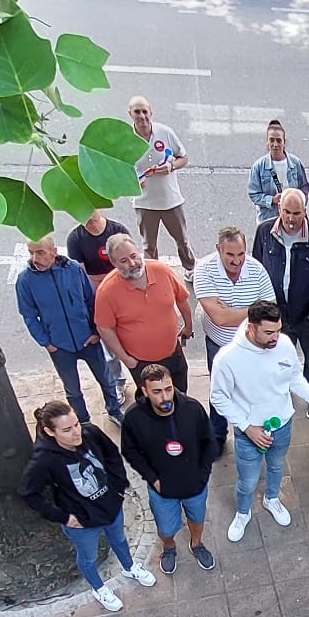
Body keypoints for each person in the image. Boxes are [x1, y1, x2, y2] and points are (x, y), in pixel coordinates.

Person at [210, 301, 309, 540]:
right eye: (269, 332)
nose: (275, 338)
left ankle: (271, 499)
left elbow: (294, 378)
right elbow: (218, 398)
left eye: (278, 330)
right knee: (248, 481)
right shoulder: (227, 359)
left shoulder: (284, 344)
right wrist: (247, 427)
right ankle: (243, 512)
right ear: (251, 328)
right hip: (249, 433)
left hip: (282, 424)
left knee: (277, 466)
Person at [20, 398, 156, 613]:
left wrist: (119, 486)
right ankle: (99, 588)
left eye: (76, 424)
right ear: (50, 432)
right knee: (88, 557)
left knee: (119, 540)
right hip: (82, 521)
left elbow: (112, 454)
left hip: (110, 506)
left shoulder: (90, 432)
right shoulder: (44, 460)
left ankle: (130, 568)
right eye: (67, 430)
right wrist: (64, 518)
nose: (76, 432)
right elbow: (28, 493)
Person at [17, 234, 124, 425]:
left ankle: (114, 410)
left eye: (40, 252)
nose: (35, 258)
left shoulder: (73, 269)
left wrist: (96, 332)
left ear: (53, 252)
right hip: (60, 346)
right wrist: (47, 343)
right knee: (73, 390)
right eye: (31, 253)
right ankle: (83, 422)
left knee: (106, 380)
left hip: (88, 340)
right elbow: (29, 316)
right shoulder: (25, 280)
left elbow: (92, 301)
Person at [120, 361, 216, 572]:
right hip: (161, 490)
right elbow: (130, 451)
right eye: (157, 392)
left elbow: (209, 442)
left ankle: (197, 544)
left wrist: (203, 475)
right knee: (165, 528)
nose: (165, 397)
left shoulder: (192, 409)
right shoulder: (134, 418)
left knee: (197, 519)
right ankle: (169, 548)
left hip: (195, 485)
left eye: (168, 389)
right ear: (145, 391)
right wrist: (153, 479)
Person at [252, 188, 309, 420]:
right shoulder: (264, 232)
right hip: (276, 316)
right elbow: (257, 269)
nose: (290, 219)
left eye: (296, 213)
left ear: (305, 211)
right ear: (279, 209)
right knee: (277, 358)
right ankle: (280, 394)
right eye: (286, 212)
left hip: (308, 315)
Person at [194, 224, 277, 452]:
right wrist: (253, 310)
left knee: (251, 391)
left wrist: (233, 311)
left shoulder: (256, 270)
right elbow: (220, 319)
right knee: (220, 391)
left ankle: (252, 431)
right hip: (219, 345)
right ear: (218, 249)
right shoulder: (205, 270)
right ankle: (218, 435)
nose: (237, 260)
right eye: (230, 254)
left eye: (241, 254)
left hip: (252, 347)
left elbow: (270, 311)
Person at [95, 233, 194, 394]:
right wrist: (126, 359)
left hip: (173, 354)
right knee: (153, 401)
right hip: (141, 363)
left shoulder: (162, 271)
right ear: (113, 263)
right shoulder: (106, 291)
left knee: (180, 394)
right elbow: (104, 328)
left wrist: (188, 327)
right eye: (124, 261)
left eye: (134, 256)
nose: (132, 263)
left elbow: (182, 299)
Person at [126, 95, 193, 271]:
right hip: (144, 203)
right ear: (130, 114)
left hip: (170, 200)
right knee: (149, 246)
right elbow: (119, 169)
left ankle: (190, 269)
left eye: (144, 111)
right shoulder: (124, 139)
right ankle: (153, 274)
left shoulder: (165, 132)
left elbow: (183, 158)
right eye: (137, 112)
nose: (142, 116)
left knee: (182, 240)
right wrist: (134, 180)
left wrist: (171, 166)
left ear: (151, 113)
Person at [246, 119, 309, 223]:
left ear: (284, 142)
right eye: (271, 140)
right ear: (267, 142)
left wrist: (298, 204)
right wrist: (272, 200)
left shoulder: (296, 164)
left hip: (291, 220)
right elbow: (253, 194)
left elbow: (304, 187)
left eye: (279, 140)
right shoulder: (258, 166)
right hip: (268, 219)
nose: (275, 144)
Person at [64, 204, 128, 291]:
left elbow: (130, 262)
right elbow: (80, 275)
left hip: (121, 280)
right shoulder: (75, 239)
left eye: (91, 209)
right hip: (95, 286)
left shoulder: (118, 230)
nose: (90, 217)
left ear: (100, 209)